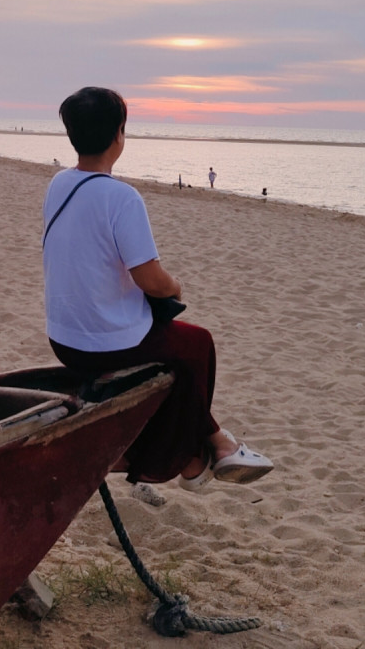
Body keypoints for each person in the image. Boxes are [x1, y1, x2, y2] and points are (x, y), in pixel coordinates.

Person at [42, 87, 273, 490]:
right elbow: (150, 278)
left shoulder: (59, 184)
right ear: (119, 135)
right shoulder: (121, 197)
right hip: (105, 342)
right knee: (197, 346)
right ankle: (187, 461)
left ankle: (215, 447)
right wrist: (175, 288)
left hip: (63, 338)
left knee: (179, 350)